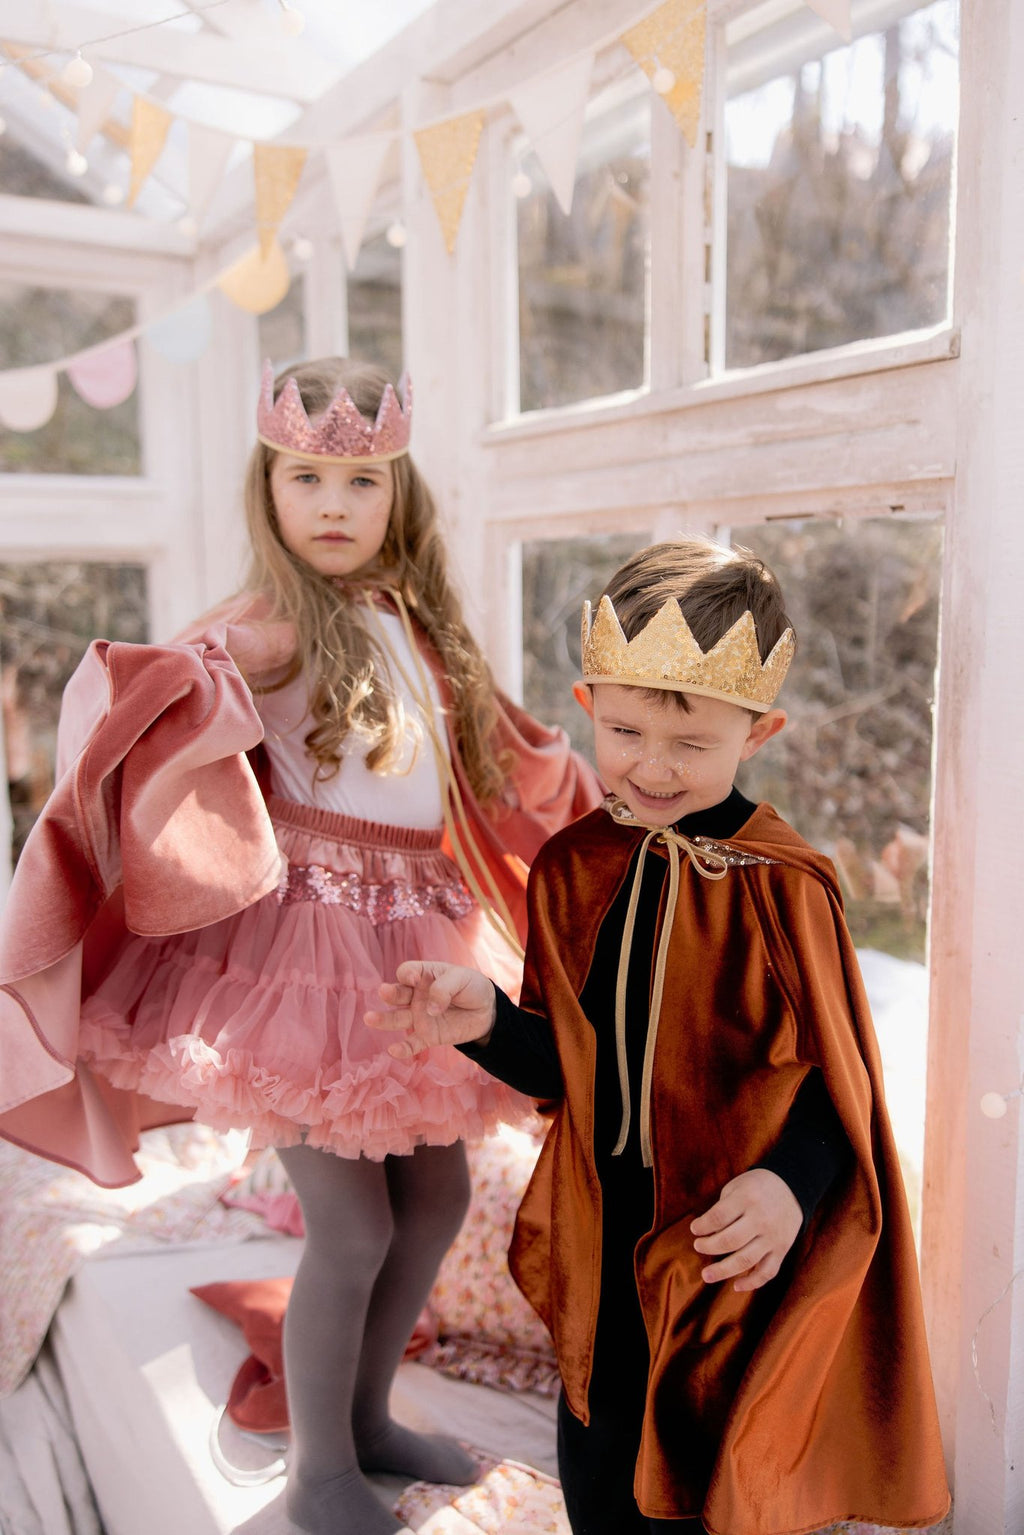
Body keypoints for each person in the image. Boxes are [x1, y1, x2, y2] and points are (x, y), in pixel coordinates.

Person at [0, 358, 602, 1535]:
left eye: (361, 480)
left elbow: (511, 759)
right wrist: (167, 691)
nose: (333, 502)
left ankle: (369, 1414)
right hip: (299, 965)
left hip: (415, 953)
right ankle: (318, 1461)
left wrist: (614, 803)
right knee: (354, 1221)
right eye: (307, 475)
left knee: (432, 1195)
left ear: (398, 492)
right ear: (268, 488)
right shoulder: (263, 629)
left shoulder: (421, 629)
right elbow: (155, 714)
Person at [368, 538, 951, 1535]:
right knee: (600, 1450)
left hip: (728, 1229)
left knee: (712, 1456)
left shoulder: (782, 882)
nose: (653, 764)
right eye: (628, 730)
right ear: (589, 705)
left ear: (757, 730)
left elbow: (837, 1080)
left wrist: (787, 1185)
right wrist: (488, 1023)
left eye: (692, 743)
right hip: (605, 1225)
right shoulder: (570, 868)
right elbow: (568, 1070)